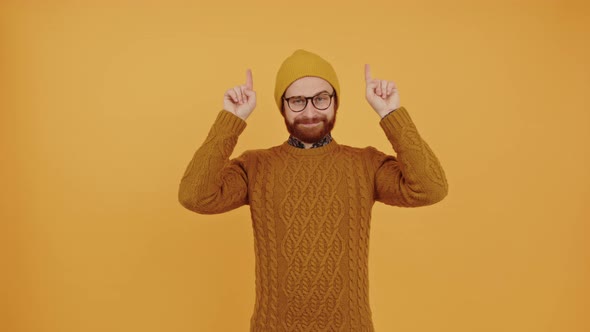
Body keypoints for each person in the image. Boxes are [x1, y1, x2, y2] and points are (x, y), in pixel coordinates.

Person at [178, 49, 448, 332]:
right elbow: (195, 195)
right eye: (297, 101)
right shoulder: (255, 166)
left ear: (335, 103)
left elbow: (430, 188)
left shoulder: (365, 164)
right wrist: (231, 120)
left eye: (320, 98)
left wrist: (391, 113)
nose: (310, 112)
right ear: (282, 106)